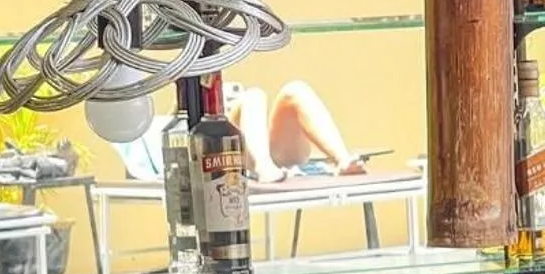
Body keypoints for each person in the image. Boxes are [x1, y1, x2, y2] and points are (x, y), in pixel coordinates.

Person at [119, 79, 370, 184]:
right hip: (224, 155)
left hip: (262, 150)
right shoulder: (179, 114)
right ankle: (263, 167)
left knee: (295, 90)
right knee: (254, 96)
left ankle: (342, 160)